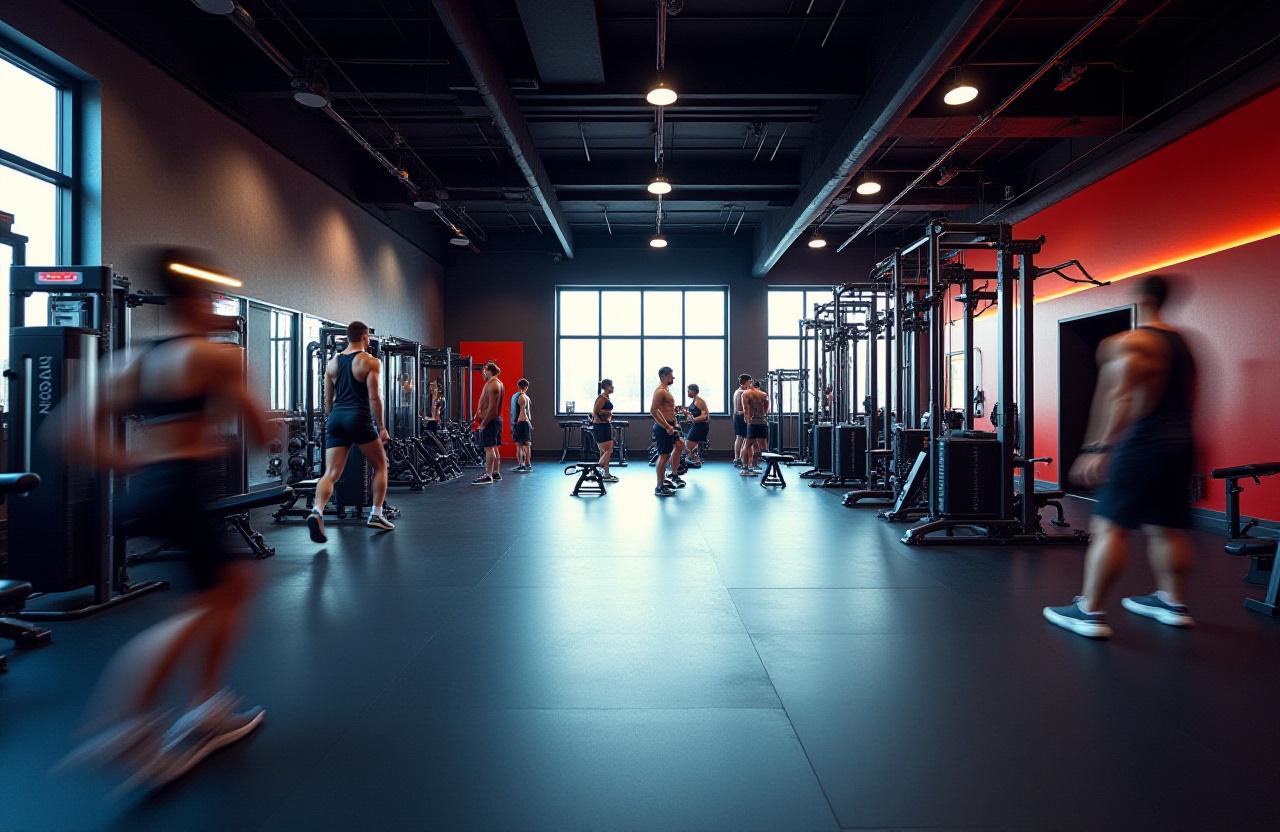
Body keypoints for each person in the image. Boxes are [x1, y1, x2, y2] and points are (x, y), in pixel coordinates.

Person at [59, 251, 273, 788]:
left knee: (231, 588)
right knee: (205, 605)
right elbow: (262, 431)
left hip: (148, 487)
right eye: (211, 301)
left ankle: (206, 704)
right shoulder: (216, 357)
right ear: (197, 302)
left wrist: (132, 463)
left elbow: (68, 432)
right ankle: (129, 723)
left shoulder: (130, 362)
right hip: (183, 490)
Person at [1044, 275, 1198, 639]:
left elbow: (1120, 396)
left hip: (1144, 442)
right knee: (1168, 527)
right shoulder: (1185, 345)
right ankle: (1173, 603)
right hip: (1182, 442)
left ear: (1141, 299)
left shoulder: (1132, 342)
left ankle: (1089, 611)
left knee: (1109, 526)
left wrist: (1097, 448)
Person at [308, 320, 396, 543]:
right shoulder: (370, 361)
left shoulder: (332, 363)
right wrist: (382, 427)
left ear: (348, 337)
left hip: (336, 418)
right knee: (381, 465)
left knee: (331, 473)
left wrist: (335, 420)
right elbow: (374, 398)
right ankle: (376, 514)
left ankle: (317, 510)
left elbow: (327, 401)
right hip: (358, 418)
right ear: (365, 337)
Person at [650, 366, 687, 497]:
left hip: (671, 425)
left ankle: (673, 474)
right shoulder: (660, 391)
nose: (673, 378)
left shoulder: (666, 390)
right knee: (664, 456)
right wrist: (666, 426)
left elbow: (667, 409)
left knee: (679, 446)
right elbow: (653, 410)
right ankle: (659, 486)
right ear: (663, 377)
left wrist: (674, 423)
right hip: (663, 427)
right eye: (671, 376)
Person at [472, 360, 505, 484]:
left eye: (484, 371)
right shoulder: (493, 383)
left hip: (490, 421)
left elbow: (492, 409)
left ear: (488, 371)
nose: (483, 374)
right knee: (493, 447)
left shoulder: (494, 385)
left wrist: (483, 423)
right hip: (492, 421)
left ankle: (488, 475)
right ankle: (495, 473)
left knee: (489, 448)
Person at [740, 378, 770, 475]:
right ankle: (765, 468)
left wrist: (748, 421)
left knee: (747, 445)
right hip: (762, 422)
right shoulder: (764, 395)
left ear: (751, 385)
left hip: (752, 422)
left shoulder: (745, 394)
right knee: (763, 448)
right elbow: (766, 410)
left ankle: (745, 468)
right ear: (759, 386)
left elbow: (745, 410)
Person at [593, 379, 619, 483]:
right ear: (606, 387)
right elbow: (595, 412)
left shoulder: (606, 397)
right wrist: (606, 417)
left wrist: (608, 417)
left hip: (604, 425)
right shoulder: (601, 398)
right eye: (611, 386)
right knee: (608, 450)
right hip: (601, 426)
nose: (613, 387)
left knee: (605, 451)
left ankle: (606, 474)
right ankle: (595, 469)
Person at [684, 383, 710, 466]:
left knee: (688, 446)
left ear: (694, 391)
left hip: (701, 426)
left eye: (689, 391)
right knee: (692, 445)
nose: (687, 393)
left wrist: (692, 420)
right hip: (697, 425)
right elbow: (695, 413)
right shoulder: (695, 400)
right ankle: (695, 460)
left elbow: (704, 416)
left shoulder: (699, 401)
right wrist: (687, 413)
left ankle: (693, 460)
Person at [512, 378, 533, 473]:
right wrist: (529, 423)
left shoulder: (521, 397)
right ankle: (527, 465)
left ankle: (522, 465)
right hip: (525, 423)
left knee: (520, 445)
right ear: (527, 387)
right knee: (527, 445)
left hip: (521, 422)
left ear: (518, 386)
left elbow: (522, 412)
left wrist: (518, 424)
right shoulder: (527, 397)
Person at [732, 373, 751, 467]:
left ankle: (737, 458)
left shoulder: (737, 391)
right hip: (741, 416)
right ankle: (739, 458)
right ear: (746, 382)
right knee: (744, 438)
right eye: (750, 382)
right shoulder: (743, 392)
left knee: (739, 437)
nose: (751, 384)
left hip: (737, 416)